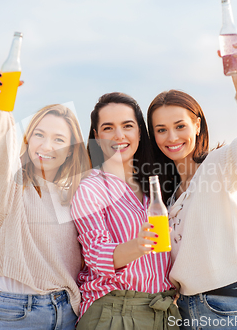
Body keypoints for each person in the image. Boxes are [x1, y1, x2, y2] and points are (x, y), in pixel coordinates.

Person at [147, 35, 237, 330]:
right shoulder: (170, 196)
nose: (172, 137)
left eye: (180, 126)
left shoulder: (219, 166)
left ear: (197, 124)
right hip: (186, 309)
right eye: (161, 130)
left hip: (229, 303)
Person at [0, 68, 90, 330]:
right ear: (28, 140)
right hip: (18, 312)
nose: (46, 146)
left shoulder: (75, 195)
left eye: (59, 139)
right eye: (39, 135)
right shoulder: (10, 185)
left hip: (67, 312)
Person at [70, 92, 180, 330]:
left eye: (127, 126)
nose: (119, 135)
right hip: (114, 312)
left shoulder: (153, 187)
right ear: (97, 137)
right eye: (108, 128)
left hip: (161, 310)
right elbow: (97, 256)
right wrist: (138, 245)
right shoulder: (91, 188)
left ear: (139, 132)